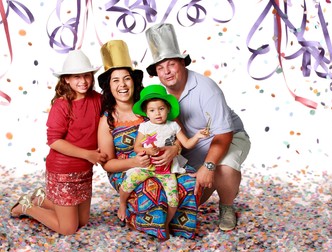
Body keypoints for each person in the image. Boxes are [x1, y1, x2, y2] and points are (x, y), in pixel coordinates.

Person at [145, 23, 251, 231]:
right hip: (194, 146)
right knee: (186, 200)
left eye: (171, 64)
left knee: (224, 168)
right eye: (160, 67)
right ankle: (214, 181)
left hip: (228, 137)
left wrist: (208, 166)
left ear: (182, 63)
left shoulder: (206, 88)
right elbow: (173, 133)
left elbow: (223, 134)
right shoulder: (161, 96)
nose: (166, 72)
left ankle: (227, 205)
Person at [97, 40, 198, 240]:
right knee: (153, 189)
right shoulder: (107, 119)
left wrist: (174, 150)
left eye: (126, 78)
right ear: (109, 85)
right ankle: (144, 221)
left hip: (165, 163)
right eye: (115, 80)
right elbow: (107, 164)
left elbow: (178, 134)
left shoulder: (152, 106)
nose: (122, 85)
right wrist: (134, 161)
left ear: (134, 81)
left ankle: (178, 225)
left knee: (188, 182)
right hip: (126, 168)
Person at [10, 50, 106, 235]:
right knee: (68, 228)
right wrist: (88, 154)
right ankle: (27, 206)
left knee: (83, 221)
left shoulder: (97, 99)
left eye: (87, 75)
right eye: (76, 77)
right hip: (63, 170)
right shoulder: (62, 105)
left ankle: (42, 197)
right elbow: (54, 141)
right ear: (66, 80)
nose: (83, 81)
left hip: (85, 170)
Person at [118, 84, 208, 229]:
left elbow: (187, 143)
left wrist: (197, 136)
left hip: (167, 169)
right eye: (152, 110)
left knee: (173, 199)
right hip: (148, 166)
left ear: (167, 109)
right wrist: (148, 151)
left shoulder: (173, 126)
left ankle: (166, 224)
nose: (157, 113)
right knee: (128, 184)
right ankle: (122, 204)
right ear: (146, 113)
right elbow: (137, 147)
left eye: (161, 109)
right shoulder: (145, 127)